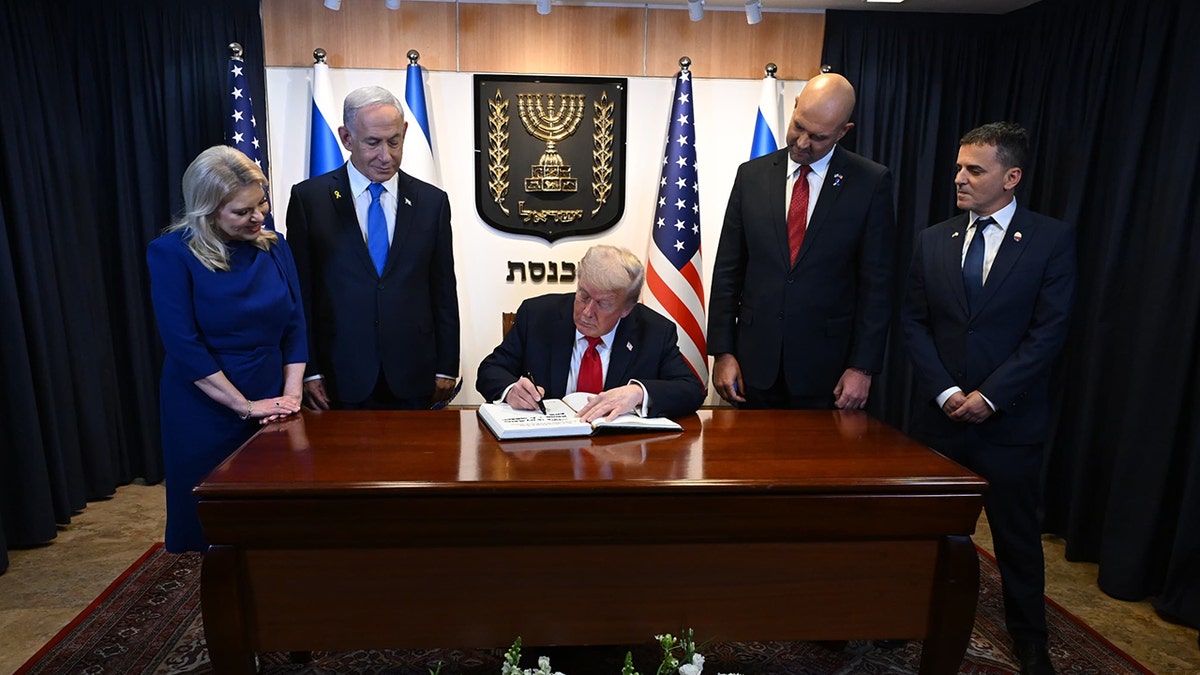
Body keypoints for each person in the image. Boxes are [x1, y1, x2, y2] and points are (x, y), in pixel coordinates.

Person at [902, 122, 1075, 675]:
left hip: (1010, 424)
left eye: (974, 170)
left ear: (1012, 177)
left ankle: (1030, 639)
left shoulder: (1050, 240)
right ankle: (902, 620)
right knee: (924, 535)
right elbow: (912, 322)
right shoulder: (934, 239)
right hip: (941, 419)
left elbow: (1049, 332)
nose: (960, 178)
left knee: (1017, 540)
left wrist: (990, 397)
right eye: (959, 166)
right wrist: (950, 391)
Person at [147, 145, 307, 553]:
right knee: (212, 525)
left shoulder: (276, 247)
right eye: (242, 211)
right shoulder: (171, 253)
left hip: (274, 400)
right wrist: (244, 406)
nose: (258, 217)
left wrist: (290, 395)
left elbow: (295, 327)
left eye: (262, 203)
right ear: (207, 210)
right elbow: (184, 345)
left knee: (272, 522)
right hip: (205, 407)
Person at [708, 72, 896, 410]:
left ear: (844, 132)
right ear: (795, 107)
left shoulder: (870, 183)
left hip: (827, 369)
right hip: (754, 366)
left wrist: (862, 367)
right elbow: (728, 271)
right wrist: (722, 351)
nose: (803, 143)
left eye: (819, 136)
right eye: (798, 126)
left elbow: (877, 285)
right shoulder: (752, 176)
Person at [287, 85, 459, 410]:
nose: (386, 155)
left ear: (405, 131)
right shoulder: (310, 200)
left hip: (414, 375)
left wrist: (446, 366)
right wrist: (309, 371)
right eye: (373, 143)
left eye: (394, 141)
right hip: (339, 377)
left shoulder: (432, 202)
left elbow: (443, 292)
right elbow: (302, 295)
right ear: (346, 138)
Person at [477, 245, 704, 422]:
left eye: (602, 304)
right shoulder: (537, 316)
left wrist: (638, 393)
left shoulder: (654, 331)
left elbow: (691, 390)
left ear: (626, 308)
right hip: (547, 453)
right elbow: (490, 370)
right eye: (583, 295)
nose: (586, 312)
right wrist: (510, 390)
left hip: (621, 459)